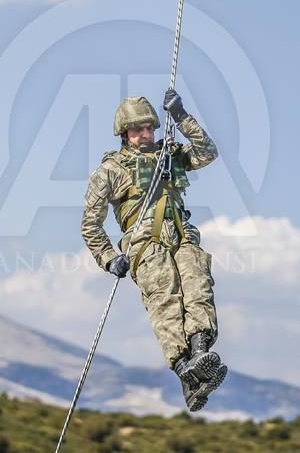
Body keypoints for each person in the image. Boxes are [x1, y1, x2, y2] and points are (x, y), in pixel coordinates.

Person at [81, 89, 226, 411]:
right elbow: (90, 223)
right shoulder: (110, 171)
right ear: (124, 134)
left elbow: (207, 153)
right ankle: (182, 366)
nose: (145, 135)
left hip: (183, 234)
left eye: (149, 128)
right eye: (137, 130)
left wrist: (182, 117)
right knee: (166, 299)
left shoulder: (169, 155)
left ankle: (200, 353)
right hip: (145, 242)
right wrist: (109, 258)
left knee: (198, 288)